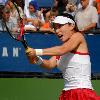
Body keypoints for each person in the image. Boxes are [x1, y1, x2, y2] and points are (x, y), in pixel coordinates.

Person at [25, 13, 100, 100]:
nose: (57, 31)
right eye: (55, 28)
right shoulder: (62, 50)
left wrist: (36, 52)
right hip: (66, 95)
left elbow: (62, 49)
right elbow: (49, 64)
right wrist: (36, 59)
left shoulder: (78, 36)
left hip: (81, 92)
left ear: (72, 26)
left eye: (60, 26)